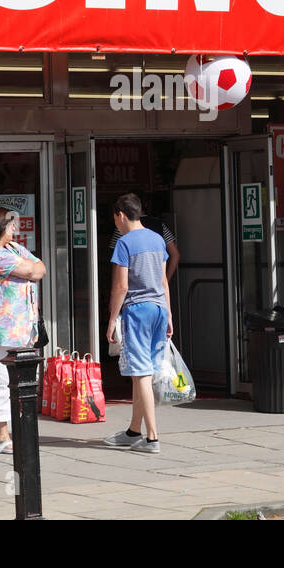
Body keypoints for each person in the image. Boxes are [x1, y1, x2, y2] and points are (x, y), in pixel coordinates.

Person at [0, 206, 46, 454]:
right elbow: (30, 270)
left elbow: (40, 269)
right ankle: (1, 436)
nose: (15, 228)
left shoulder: (13, 249)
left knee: (16, 382)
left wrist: (31, 269)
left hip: (19, 329)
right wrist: (30, 270)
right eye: (12, 224)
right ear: (1, 227)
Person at [103, 193, 171, 454]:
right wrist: (170, 313)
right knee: (143, 373)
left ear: (121, 214)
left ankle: (152, 437)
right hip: (158, 309)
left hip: (137, 311)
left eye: (115, 218)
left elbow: (121, 286)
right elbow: (164, 281)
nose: (116, 223)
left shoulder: (124, 242)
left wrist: (111, 320)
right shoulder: (156, 238)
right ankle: (133, 430)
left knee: (141, 373)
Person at [108, 205, 181, 291]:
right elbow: (175, 255)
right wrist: (165, 282)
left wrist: (114, 288)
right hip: (157, 290)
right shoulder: (160, 226)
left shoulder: (123, 226)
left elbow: (116, 262)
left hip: (132, 291)